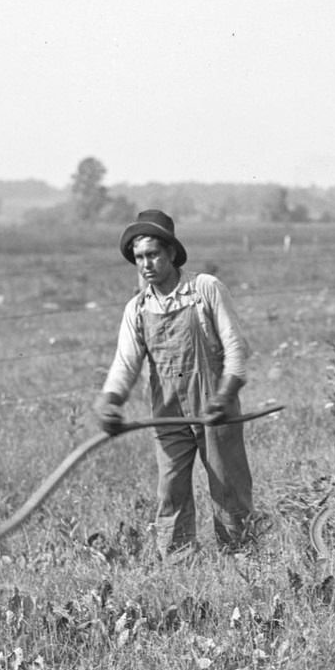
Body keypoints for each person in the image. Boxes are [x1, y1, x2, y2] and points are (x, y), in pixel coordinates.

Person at [94, 209, 256, 559]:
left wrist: (225, 396)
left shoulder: (204, 290)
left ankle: (242, 562)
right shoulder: (137, 308)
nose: (146, 264)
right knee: (171, 491)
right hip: (167, 412)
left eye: (153, 254)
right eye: (139, 257)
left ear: (170, 253)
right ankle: (179, 565)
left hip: (215, 406)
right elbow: (126, 362)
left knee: (228, 489)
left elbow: (236, 349)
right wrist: (110, 399)